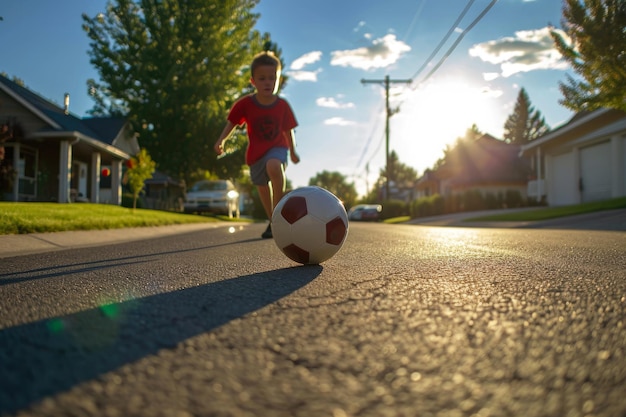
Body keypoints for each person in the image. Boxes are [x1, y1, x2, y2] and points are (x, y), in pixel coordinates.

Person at [214, 51, 300, 239]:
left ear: (278, 79)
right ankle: (273, 222)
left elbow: (288, 131)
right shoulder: (245, 104)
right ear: (253, 81)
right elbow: (232, 123)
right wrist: (222, 140)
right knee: (261, 186)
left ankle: (278, 210)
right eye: (262, 78)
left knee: (274, 165)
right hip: (255, 154)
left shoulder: (282, 105)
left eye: (272, 78)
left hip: (278, 148)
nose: (267, 82)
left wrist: (292, 152)